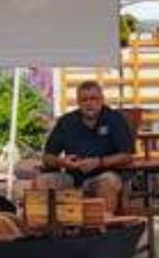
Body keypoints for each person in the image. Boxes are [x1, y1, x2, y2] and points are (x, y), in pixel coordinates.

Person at [24, 80, 137, 213]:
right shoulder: (67, 122)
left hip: (105, 173)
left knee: (108, 183)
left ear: (102, 100)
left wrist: (99, 162)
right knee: (41, 182)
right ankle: (45, 229)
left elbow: (127, 155)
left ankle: (103, 228)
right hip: (72, 176)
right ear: (78, 102)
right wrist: (61, 162)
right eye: (84, 100)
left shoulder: (114, 119)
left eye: (93, 99)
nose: (89, 103)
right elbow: (47, 157)